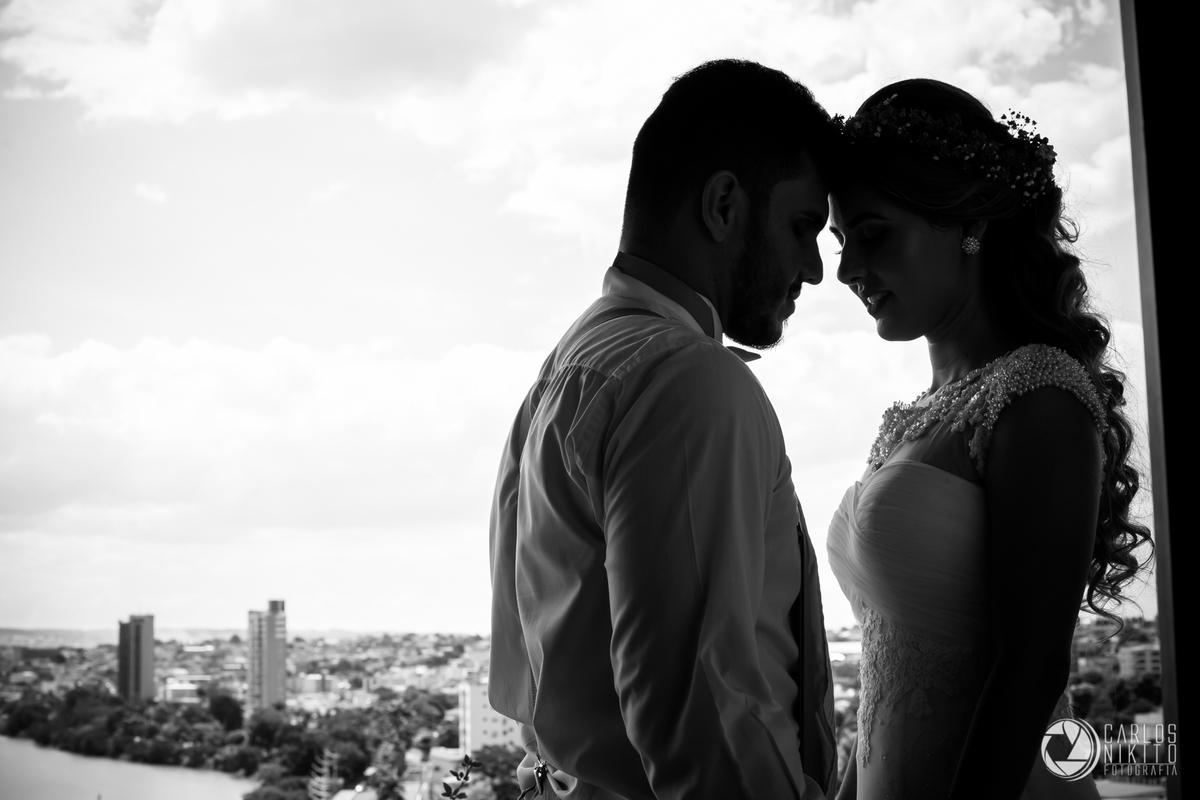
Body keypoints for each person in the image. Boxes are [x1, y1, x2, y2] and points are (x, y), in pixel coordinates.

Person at [489, 59, 840, 800]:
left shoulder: (568, 368)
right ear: (723, 205)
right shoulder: (690, 384)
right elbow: (713, 720)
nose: (813, 269)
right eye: (804, 226)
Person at [825, 80, 1152, 799]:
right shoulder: (913, 417)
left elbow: (1032, 669)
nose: (847, 270)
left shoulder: (1042, 399)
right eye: (841, 241)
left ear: (966, 220)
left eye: (872, 235)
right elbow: (885, 680)